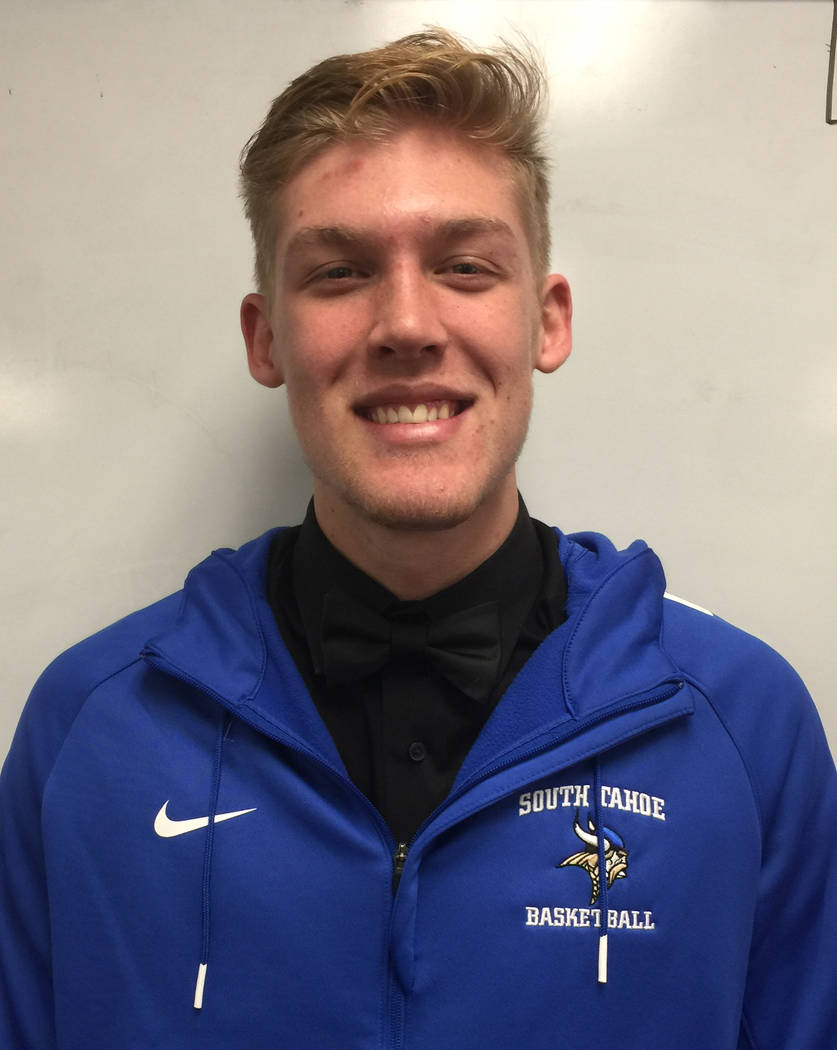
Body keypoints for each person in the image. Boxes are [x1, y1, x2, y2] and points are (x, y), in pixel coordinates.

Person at [1, 28, 835, 1050]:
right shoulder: (89, 731)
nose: (406, 323)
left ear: (547, 320)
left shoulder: (743, 727)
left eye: (465, 266)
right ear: (266, 337)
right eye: (341, 271)